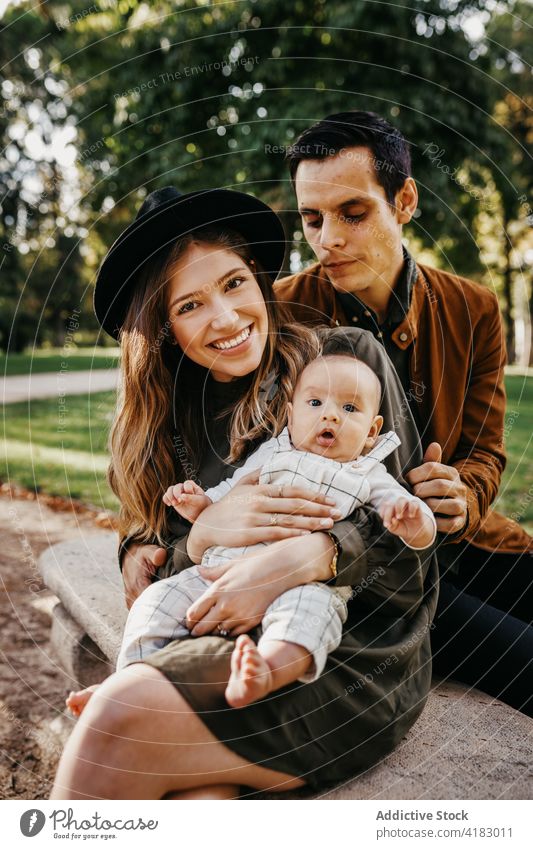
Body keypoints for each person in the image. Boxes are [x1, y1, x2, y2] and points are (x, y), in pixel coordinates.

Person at [51, 186, 438, 799]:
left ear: (259, 278)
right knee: (195, 799)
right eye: (191, 305)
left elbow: (413, 558)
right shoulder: (171, 425)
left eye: (234, 284)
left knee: (115, 726)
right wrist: (203, 534)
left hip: (340, 649)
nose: (226, 319)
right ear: (164, 328)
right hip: (213, 641)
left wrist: (319, 552)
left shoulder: (344, 362)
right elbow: (162, 564)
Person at [273, 110, 533, 716]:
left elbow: (486, 451)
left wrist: (463, 493)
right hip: (374, 576)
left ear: (405, 200)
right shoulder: (283, 315)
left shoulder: (475, 309)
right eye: (312, 219)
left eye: (352, 213)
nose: (327, 238)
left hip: (468, 544)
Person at [66, 352, 436, 714]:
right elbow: (228, 491)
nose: (330, 414)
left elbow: (410, 526)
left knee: (310, 616)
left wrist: (415, 523)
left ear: (372, 432)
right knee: (156, 602)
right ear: (290, 415)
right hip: (221, 570)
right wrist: (200, 507)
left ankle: (266, 670)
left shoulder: (367, 472)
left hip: (305, 583)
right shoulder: (272, 454)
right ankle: (125, 682)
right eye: (315, 402)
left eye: (350, 409)